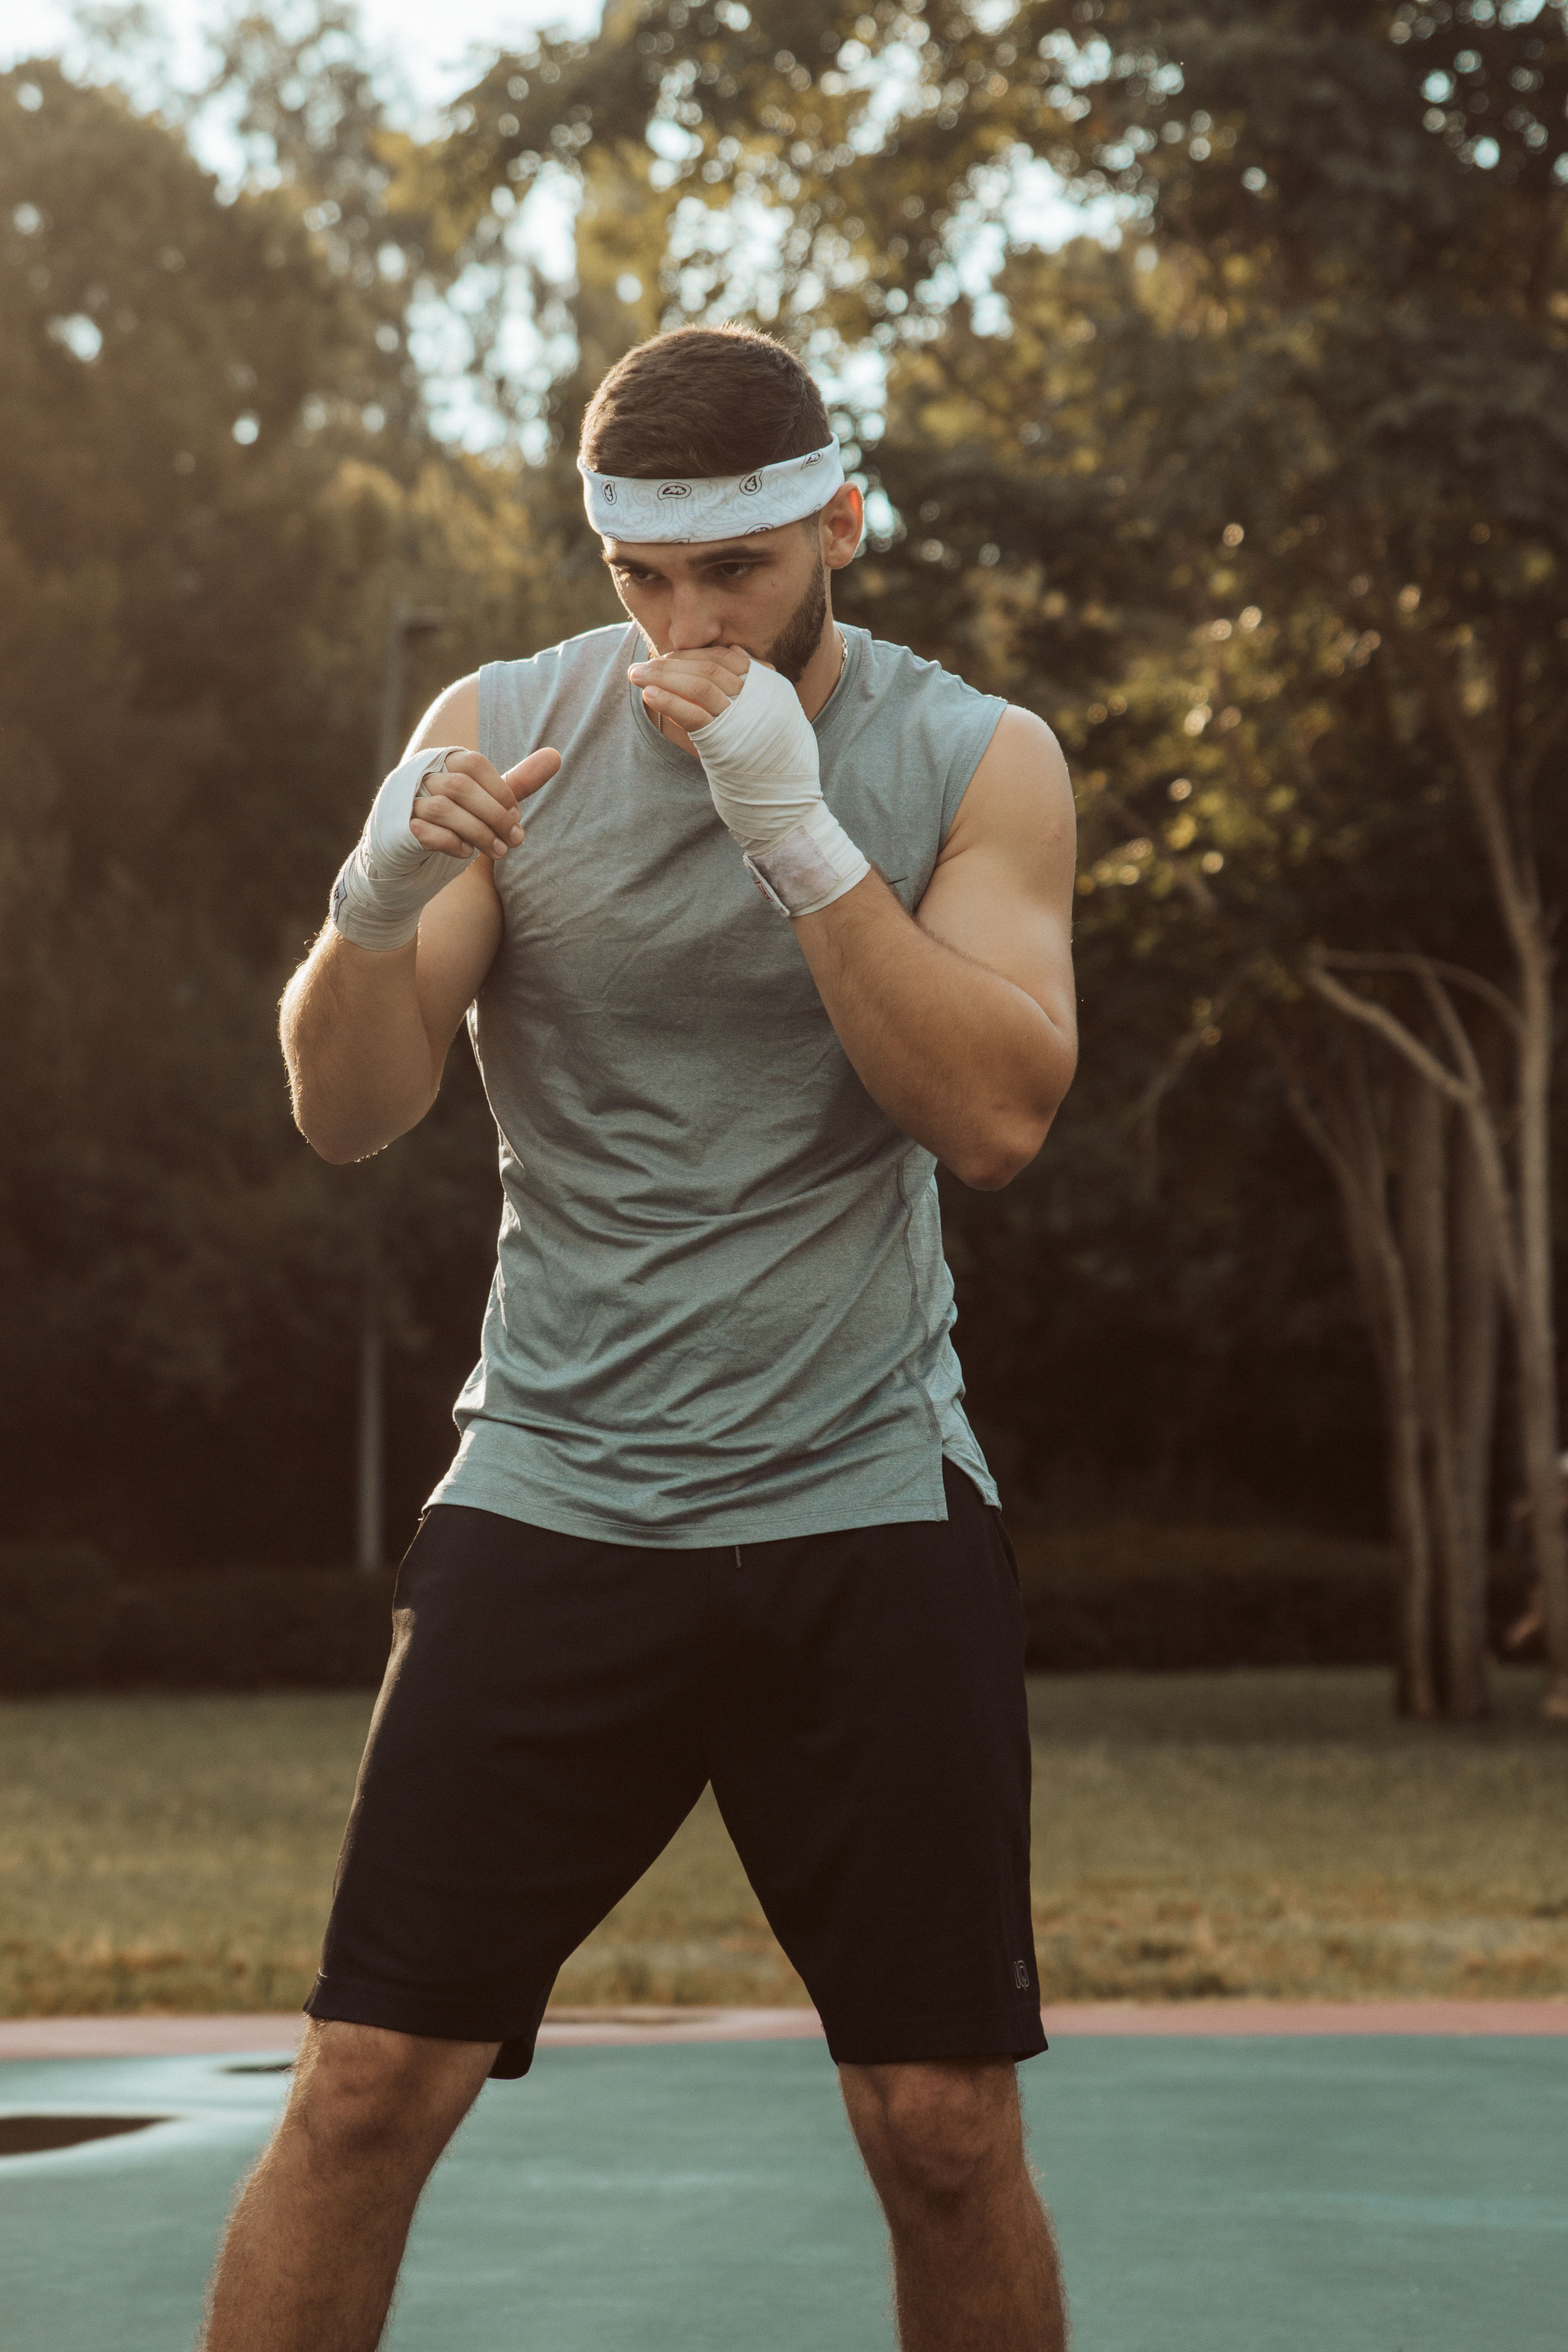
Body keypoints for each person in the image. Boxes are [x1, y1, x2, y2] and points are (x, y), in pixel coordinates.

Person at [200, 325, 1078, 2352]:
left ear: (838, 522)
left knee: (941, 2125)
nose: (685, 626)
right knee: (358, 2093)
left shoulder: (976, 757)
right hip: (561, 1487)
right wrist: (365, 904)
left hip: (864, 1487)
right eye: (642, 581)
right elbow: (349, 1109)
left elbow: (999, 1114)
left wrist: (800, 836)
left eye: (738, 575)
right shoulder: (509, 727)